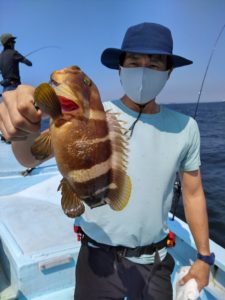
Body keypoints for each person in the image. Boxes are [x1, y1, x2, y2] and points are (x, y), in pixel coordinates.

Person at [0, 23, 213, 300]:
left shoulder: (186, 127)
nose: (144, 70)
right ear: (121, 68)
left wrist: (204, 257)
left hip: (155, 262)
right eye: (134, 61)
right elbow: (30, 156)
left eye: (155, 63)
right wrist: (22, 130)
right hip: (95, 257)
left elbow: (193, 193)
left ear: (169, 72)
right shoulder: (95, 113)